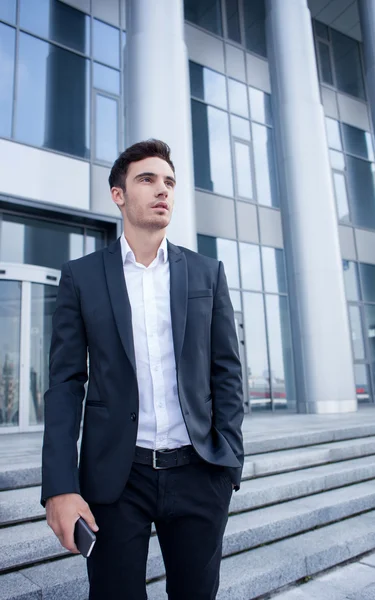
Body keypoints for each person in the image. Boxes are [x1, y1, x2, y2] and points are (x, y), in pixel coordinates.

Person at [41, 139, 244, 600]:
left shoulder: (206, 273)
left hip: (199, 472)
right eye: (147, 179)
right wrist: (59, 485)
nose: (162, 190)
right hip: (116, 479)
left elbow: (227, 371)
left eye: (169, 182)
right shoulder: (82, 276)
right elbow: (65, 383)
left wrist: (228, 458)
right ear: (119, 195)